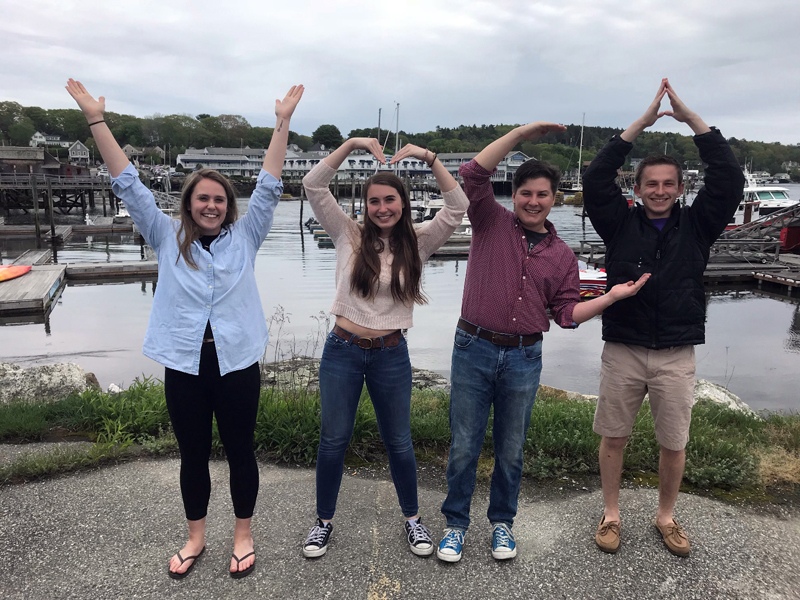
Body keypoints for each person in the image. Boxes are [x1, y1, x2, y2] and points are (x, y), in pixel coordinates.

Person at [66, 79, 304, 578]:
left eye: (219, 199)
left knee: (241, 450)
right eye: (203, 199)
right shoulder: (165, 235)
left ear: (229, 206)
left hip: (236, 362)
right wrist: (96, 120)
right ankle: (196, 537)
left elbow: (269, 182)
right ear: (189, 204)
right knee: (192, 453)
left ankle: (243, 533)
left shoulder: (248, 236)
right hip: (186, 364)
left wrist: (281, 122)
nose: (212, 206)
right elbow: (128, 182)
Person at [437, 122, 651, 563]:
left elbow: (567, 315)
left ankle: (502, 524)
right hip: (473, 347)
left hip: (524, 356)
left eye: (543, 194)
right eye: (526, 193)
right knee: (464, 445)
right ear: (513, 195)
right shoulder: (489, 220)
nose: (534, 202)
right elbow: (473, 173)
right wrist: (520, 134)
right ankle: (456, 525)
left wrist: (610, 297)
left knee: (511, 449)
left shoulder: (562, 256)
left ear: (554, 199)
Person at [582, 79, 745, 557]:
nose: (659, 191)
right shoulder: (617, 222)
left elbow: (728, 178)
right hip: (624, 349)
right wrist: (641, 124)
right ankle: (611, 515)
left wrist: (692, 120)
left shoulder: (699, 224)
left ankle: (666, 516)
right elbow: (595, 178)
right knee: (614, 437)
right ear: (637, 188)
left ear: (679, 188)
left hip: (676, 353)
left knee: (673, 444)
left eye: (667, 184)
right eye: (650, 184)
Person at [300, 138, 469, 558]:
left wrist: (430, 158)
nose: (382, 208)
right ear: (366, 204)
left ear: (403, 202)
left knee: (398, 442)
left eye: (390, 200)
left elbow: (457, 206)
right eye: (374, 201)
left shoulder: (418, 241)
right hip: (342, 349)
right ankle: (323, 522)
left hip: (391, 354)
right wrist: (352, 144)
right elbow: (313, 185)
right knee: (333, 441)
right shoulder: (347, 234)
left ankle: (413, 520)